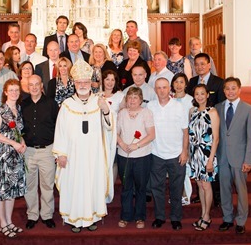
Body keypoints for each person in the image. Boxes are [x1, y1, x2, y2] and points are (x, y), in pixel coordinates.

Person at [53, 59, 116, 233]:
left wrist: (105, 110)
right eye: (79, 82)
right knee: (74, 185)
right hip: (73, 155)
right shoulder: (67, 105)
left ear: (90, 83)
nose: (82, 84)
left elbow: (110, 127)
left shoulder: (99, 101)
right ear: (74, 83)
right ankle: (74, 219)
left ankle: (92, 217)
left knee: (92, 184)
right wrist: (61, 154)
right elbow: (60, 130)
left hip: (93, 154)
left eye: (86, 82)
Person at [216, 77, 251, 235]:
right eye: (227, 88)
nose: (230, 91)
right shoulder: (218, 108)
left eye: (233, 88)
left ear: (239, 90)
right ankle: (227, 218)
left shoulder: (248, 109)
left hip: (240, 157)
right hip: (222, 156)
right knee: (224, 189)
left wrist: (249, 160)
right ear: (224, 91)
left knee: (241, 190)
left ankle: (241, 220)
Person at [148, 78, 188, 231]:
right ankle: (159, 217)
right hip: (156, 154)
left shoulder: (179, 107)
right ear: (155, 90)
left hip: (176, 154)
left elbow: (185, 132)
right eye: (159, 88)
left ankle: (176, 218)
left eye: (164, 87)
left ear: (169, 88)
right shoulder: (150, 106)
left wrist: (184, 152)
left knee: (176, 188)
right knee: (157, 188)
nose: (162, 90)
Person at [0, 79, 27, 238]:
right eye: (11, 90)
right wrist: (13, 143)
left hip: (16, 156)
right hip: (3, 156)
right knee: (1, 191)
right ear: (5, 92)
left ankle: (10, 221)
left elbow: (19, 131)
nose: (14, 93)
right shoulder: (0, 111)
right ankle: (3, 224)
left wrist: (22, 142)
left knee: (11, 191)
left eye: (16, 90)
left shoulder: (18, 108)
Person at [22, 75, 59, 230]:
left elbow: (59, 127)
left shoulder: (51, 104)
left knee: (47, 185)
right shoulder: (22, 105)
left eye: (37, 84)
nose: (34, 87)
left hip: (47, 151)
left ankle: (47, 215)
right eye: (31, 85)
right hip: (28, 151)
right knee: (29, 186)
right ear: (27, 87)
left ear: (42, 85)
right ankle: (32, 215)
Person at [187, 53, 225, 206]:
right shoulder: (192, 82)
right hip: (197, 134)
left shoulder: (218, 82)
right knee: (200, 178)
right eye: (197, 64)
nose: (200, 67)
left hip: (211, 131)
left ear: (209, 65)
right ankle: (200, 195)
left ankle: (216, 197)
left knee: (211, 175)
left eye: (203, 64)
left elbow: (221, 105)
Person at [117, 87, 155, 229]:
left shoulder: (146, 113)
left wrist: (136, 145)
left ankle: (140, 217)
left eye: (135, 97)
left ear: (140, 100)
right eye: (130, 97)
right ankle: (125, 216)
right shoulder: (121, 113)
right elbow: (116, 132)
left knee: (140, 188)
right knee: (126, 187)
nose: (132, 100)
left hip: (142, 156)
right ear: (126, 99)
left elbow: (151, 134)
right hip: (124, 155)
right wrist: (121, 143)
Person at [189, 84, 219, 231]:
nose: (200, 96)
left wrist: (210, 159)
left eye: (202, 93)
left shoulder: (212, 112)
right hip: (195, 154)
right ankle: (202, 214)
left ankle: (207, 216)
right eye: (197, 94)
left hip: (207, 154)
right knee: (200, 185)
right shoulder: (192, 111)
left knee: (206, 185)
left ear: (207, 95)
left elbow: (216, 138)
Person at [171, 73, 194, 206]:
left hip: (186, 138)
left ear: (186, 84)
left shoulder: (190, 100)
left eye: (181, 82)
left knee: (184, 169)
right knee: (175, 171)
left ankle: (186, 196)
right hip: (173, 139)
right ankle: (177, 194)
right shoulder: (169, 99)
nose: (179, 85)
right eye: (176, 82)